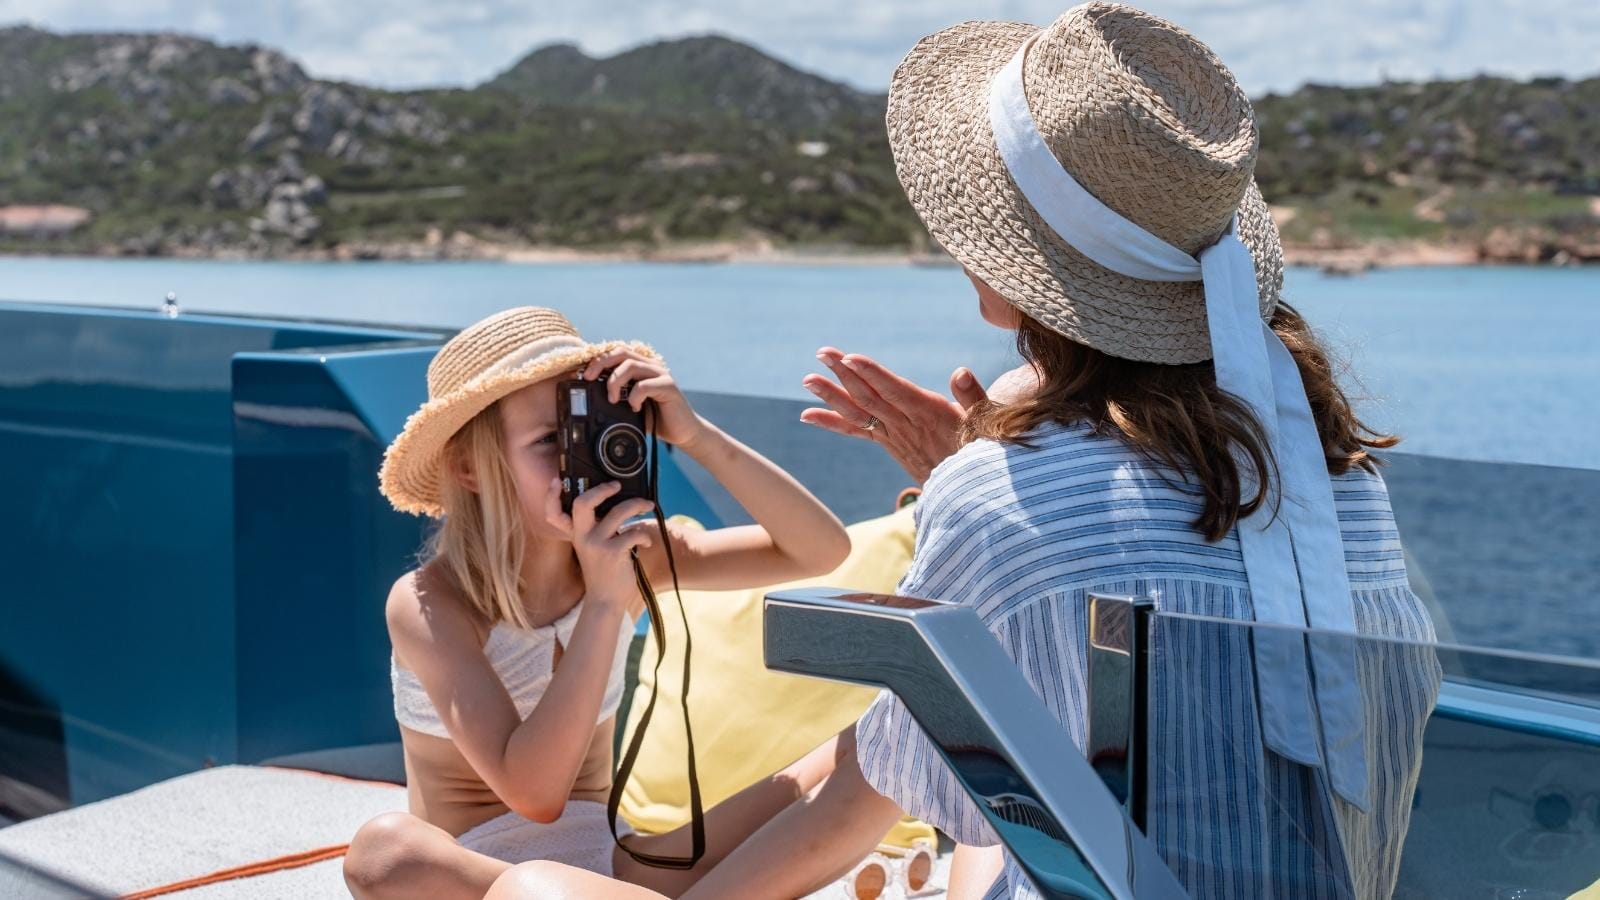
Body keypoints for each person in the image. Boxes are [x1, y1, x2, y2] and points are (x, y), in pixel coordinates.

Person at [793, 4, 1441, 898]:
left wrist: (972, 492)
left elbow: (925, 782)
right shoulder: (1342, 487)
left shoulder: (998, 500)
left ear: (1004, 273)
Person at [342, 306, 858, 899]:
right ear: (469, 469)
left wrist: (695, 436)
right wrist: (605, 603)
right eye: (548, 441)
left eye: (587, 435)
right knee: (388, 850)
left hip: (616, 871)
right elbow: (535, 795)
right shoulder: (430, 604)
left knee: (875, 750)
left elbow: (820, 549)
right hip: (483, 879)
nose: (577, 459)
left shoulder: (637, 559)